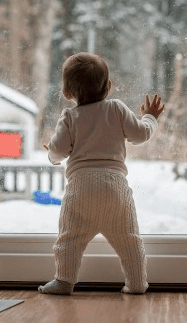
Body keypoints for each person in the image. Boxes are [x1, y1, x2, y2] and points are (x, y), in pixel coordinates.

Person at [38, 52, 165, 295]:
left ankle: (64, 281)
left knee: (69, 240)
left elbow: (58, 151)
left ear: (67, 92)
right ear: (108, 86)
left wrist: (52, 155)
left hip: (80, 189)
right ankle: (137, 283)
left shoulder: (69, 117)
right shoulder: (117, 109)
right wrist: (150, 117)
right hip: (115, 187)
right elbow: (140, 135)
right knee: (130, 240)